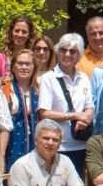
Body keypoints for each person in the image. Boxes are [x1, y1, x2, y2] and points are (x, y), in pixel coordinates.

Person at [38, 33, 94, 176]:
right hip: (57, 145)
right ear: (58, 52)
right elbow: (44, 113)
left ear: (79, 55)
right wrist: (74, 115)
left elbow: (89, 108)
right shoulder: (48, 79)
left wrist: (85, 119)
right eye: (63, 50)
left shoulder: (84, 78)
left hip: (80, 145)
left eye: (72, 51)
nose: (67, 54)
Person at [0, 49, 39, 171]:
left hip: (35, 144)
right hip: (9, 144)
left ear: (34, 67)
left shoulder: (40, 89)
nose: (23, 67)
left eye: (28, 64)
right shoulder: (2, 87)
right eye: (20, 63)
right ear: (13, 67)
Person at [0, 15, 37, 80]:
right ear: (11, 32)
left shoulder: (34, 58)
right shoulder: (0, 59)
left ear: (29, 35)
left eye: (24, 32)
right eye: (17, 31)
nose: (20, 35)